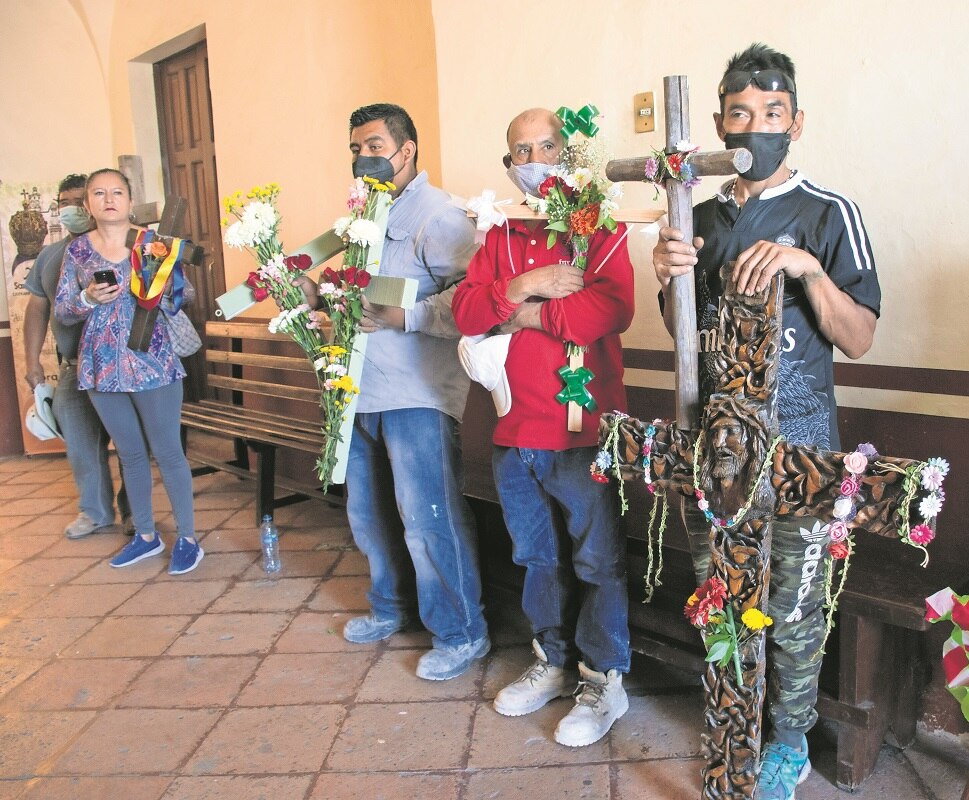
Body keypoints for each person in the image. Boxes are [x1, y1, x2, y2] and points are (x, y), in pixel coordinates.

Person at [651, 43, 881, 798]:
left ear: (797, 121)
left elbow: (858, 337)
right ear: (721, 124)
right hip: (716, 448)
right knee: (721, 594)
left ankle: (787, 741)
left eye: (772, 113)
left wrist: (805, 267)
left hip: (801, 443)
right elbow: (685, 335)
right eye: (741, 113)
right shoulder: (700, 215)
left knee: (792, 607)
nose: (756, 125)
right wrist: (669, 280)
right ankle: (731, 725)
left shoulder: (826, 213)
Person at [452, 108, 634, 748]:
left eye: (546, 146)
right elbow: (467, 310)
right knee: (535, 557)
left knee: (597, 559)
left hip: (581, 429)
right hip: (513, 428)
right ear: (509, 164)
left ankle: (603, 676)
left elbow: (609, 307)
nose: (533, 159)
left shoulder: (596, 224)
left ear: (568, 151)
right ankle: (551, 662)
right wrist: (526, 287)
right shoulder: (499, 232)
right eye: (520, 150)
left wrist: (514, 313)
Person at [295, 103, 489, 682]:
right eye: (356, 148)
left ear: (406, 151)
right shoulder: (358, 214)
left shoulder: (441, 215)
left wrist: (405, 317)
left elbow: (474, 304)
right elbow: (310, 265)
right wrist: (302, 285)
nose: (363, 157)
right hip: (356, 388)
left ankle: (460, 632)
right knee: (367, 512)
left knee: (427, 517)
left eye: (375, 145)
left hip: (416, 394)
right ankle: (390, 607)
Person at [54, 168, 203, 575]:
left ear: (129, 199)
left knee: (168, 451)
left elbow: (184, 295)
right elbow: (63, 310)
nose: (108, 199)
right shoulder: (78, 251)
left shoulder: (151, 242)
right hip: (101, 365)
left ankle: (188, 539)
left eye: (116, 192)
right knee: (131, 454)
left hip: (152, 359)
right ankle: (145, 535)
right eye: (98, 193)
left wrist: (162, 281)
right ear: (86, 206)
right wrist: (87, 296)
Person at [24, 173, 129, 539]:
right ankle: (96, 512)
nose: (71, 209)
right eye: (64, 202)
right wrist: (32, 361)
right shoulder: (51, 257)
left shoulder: (124, 246)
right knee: (82, 445)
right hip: (73, 366)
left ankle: (134, 513)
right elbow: (37, 310)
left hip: (120, 363)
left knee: (130, 444)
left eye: (77, 200)